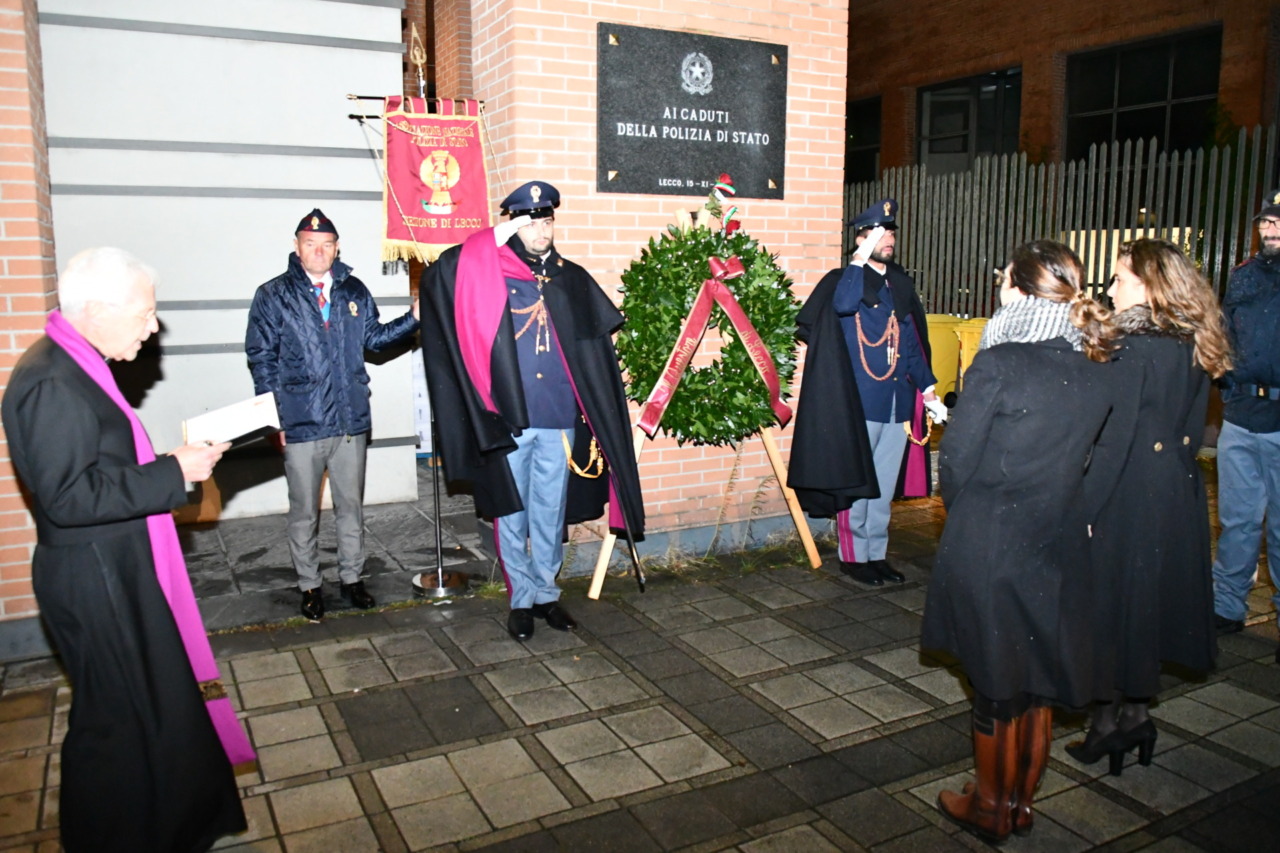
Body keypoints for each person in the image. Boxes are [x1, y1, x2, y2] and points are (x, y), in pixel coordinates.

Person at [1, 248, 252, 852]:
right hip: (95, 579)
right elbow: (66, 496)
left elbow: (97, 467)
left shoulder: (74, 365)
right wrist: (172, 471)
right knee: (114, 722)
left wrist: (174, 465)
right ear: (96, 309)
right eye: (144, 312)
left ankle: (164, 827)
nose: (153, 325)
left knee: (152, 707)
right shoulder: (50, 380)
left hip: (115, 567)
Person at [920, 240, 1136, 843]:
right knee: (1037, 676)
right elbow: (1097, 458)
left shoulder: (1000, 360)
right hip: (1060, 538)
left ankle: (990, 807)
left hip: (993, 537)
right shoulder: (1098, 362)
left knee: (994, 683)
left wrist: (970, 522)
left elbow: (956, 463)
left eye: (1003, 279)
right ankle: (1021, 804)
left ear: (1018, 289)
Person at [419, 181, 644, 641]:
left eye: (547, 221)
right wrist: (493, 238)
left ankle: (546, 592)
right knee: (511, 508)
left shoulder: (570, 277)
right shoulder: (490, 270)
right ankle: (519, 597)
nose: (542, 230)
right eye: (531, 222)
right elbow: (445, 271)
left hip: (559, 416)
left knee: (549, 508)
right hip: (511, 417)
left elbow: (594, 351)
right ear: (514, 226)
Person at [1067, 239, 1233, 773]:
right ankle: (1135, 717)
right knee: (1146, 604)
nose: (1111, 289)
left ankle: (1106, 726)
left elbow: (1110, 439)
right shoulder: (1192, 340)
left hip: (1125, 491)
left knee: (1111, 607)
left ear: (1150, 285)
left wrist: (1085, 508)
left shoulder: (1130, 347)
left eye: (1120, 279)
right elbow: (1189, 427)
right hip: (1174, 489)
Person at [245, 209, 419, 621]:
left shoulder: (353, 290)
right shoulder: (273, 295)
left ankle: (352, 579)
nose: (319, 251)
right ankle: (309, 586)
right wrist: (274, 419)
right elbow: (261, 359)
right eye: (310, 243)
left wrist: (414, 318)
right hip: (301, 423)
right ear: (297, 247)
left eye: (326, 245)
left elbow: (374, 340)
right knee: (304, 512)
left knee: (350, 508)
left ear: (337, 248)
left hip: (348, 422)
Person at [789, 199, 946, 586]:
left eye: (891, 232)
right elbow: (843, 306)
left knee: (882, 487)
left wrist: (928, 390)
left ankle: (876, 552)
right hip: (857, 402)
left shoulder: (900, 285)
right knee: (857, 482)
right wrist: (859, 260)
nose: (888, 239)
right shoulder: (845, 280)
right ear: (861, 238)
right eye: (879, 232)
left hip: (895, 402)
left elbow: (909, 342)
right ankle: (853, 556)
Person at [1211, 189, 1280, 666]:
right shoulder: (1243, 276)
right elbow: (1223, 334)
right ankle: (1226, 606)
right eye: (1265, 222)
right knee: (1236, 520)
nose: (1269, 229)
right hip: (1240, 418)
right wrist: (1227, 381)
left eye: (1278, 222)